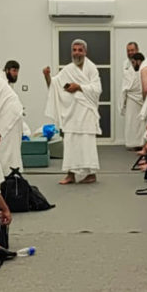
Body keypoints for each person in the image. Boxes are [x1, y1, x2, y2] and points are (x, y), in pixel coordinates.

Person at [43, 39, 101, 184]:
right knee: (70, 143)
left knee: (86, 143)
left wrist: (79, 87)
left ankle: (91, 174)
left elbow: (97, 89)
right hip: (71, 113)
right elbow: (55, 85)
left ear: (85, 52)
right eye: (74, 50)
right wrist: (47, 76)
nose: (77, 53)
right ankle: (71, 174)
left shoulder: (91, 68)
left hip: (86, 112)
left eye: (80, 50)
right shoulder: (68, 69)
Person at [120, 42, 147, 150]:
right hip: (131, 95)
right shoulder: (125, 63)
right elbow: (126, 80)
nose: (130, 52)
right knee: (131, 120)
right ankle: (131, 143)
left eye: (132, 50)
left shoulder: (145, 62)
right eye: (128, 50)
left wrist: (145, 95)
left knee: (142, 120)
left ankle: (142, 143)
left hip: (141, 95)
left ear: (137, 50)